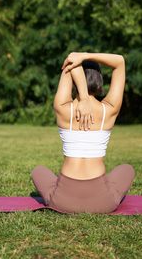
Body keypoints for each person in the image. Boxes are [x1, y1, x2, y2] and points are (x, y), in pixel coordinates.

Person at [30, 52, 135, 214]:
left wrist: (83, 97)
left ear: (73, 79)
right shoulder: (109, 110)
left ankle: (66, 190)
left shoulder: (64, 108)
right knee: (127, 169)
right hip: (102, 202)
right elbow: (119, 61)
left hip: (63, 201)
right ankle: (102, 190)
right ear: (99, 81)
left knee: (38, 170)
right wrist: (85, 56)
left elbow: (70, 60)